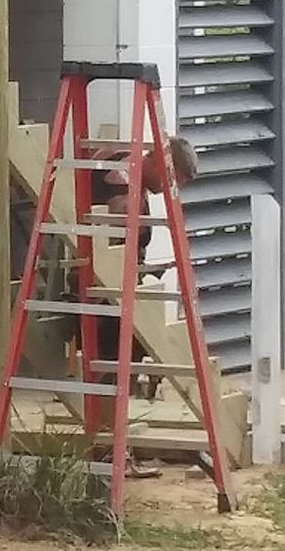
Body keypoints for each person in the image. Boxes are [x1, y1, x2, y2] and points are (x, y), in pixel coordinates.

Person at [84, 136, 200, 474]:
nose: (171, 188)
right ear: (161, 161)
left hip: (107, 279)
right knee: (118, 357)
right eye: (174, 178)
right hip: (106, 286)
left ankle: (110, 443)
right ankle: (109, 447)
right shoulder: (123, 181)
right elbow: (118, 236)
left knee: (119, 358)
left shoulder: (122, 161)